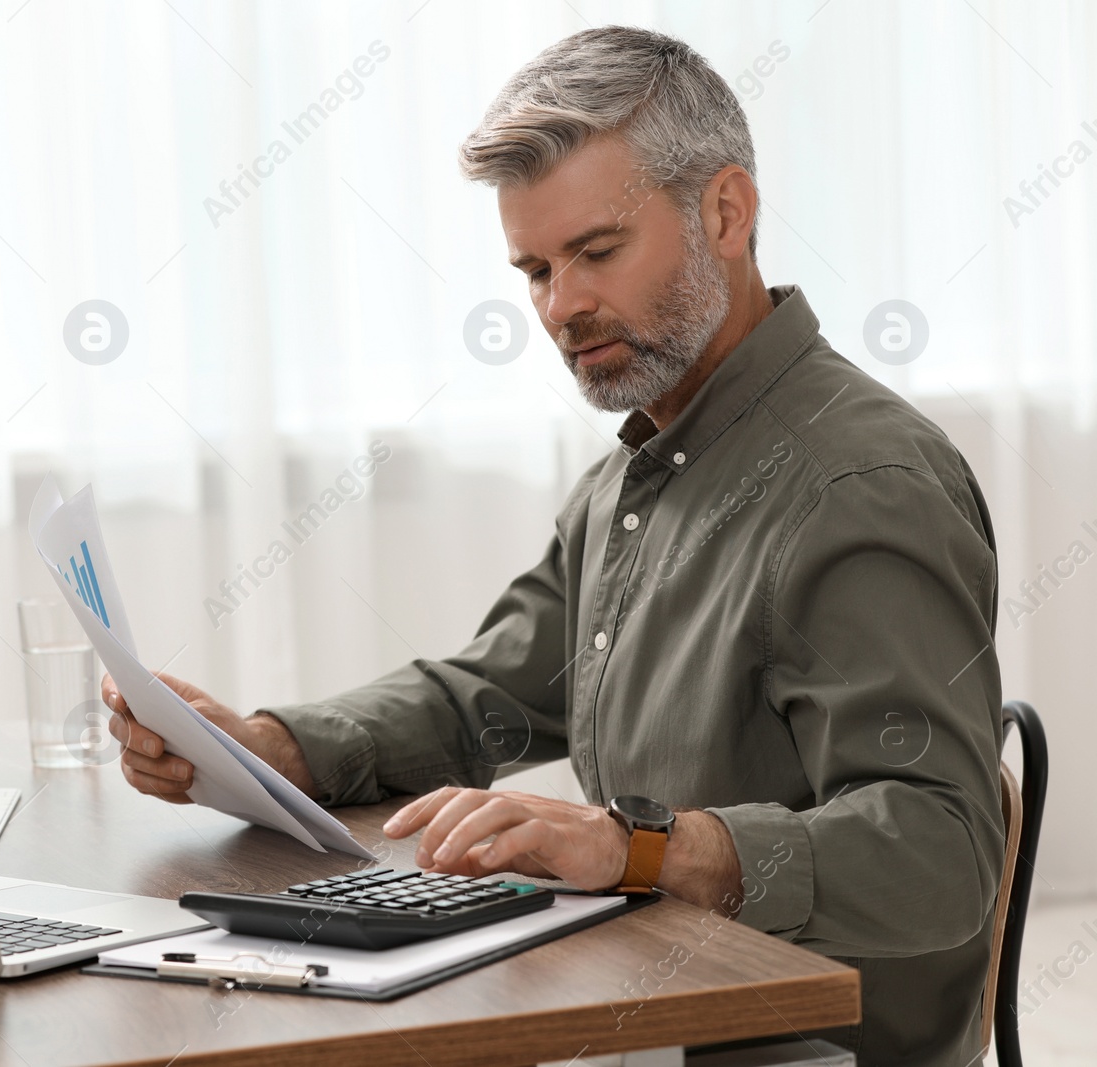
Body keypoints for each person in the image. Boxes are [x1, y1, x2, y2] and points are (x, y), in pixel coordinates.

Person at [104, 26, 1003, 1066]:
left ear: (724, 212)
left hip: (791, 1045)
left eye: (596, 252)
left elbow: (941, 848)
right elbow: (487, 691)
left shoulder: (859, 487)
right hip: (641, 1008)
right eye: (534, 268)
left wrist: (640, 848)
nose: (560, 307)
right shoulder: (639, 472)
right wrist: (272, 748)